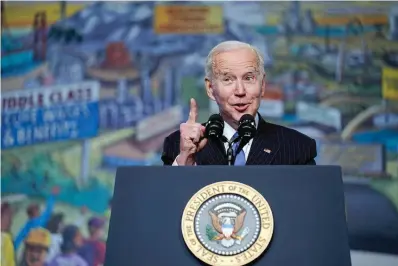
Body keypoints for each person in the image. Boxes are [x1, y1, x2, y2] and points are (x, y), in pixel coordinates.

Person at [162, 41, 317, 166]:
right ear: (210, 89)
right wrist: (186, 161)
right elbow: (167, 203)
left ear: (262, 86)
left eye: (249, 78)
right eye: (228, 79)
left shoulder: (297, 147)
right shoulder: (178, 145)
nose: (240, 91)